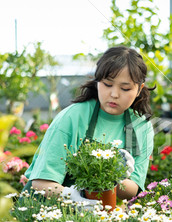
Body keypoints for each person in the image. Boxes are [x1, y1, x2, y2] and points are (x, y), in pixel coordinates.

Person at [23, 46, 155, 205]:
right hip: (46, 214)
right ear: (97, 81)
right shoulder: (73, 117)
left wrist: (117, 176)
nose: (114, 94)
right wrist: (72, 197)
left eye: (125, 88)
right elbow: (40, 183)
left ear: (139, 89)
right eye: (107, 84)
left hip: (98, 219)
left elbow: (133, 191)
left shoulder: (141, 127)